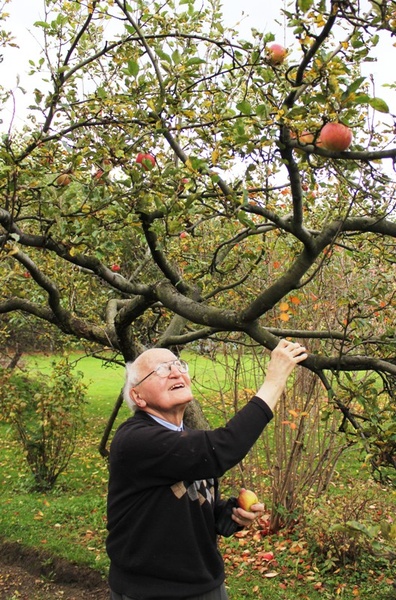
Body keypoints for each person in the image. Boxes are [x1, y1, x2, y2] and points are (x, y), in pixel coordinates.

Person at [106, 339, 307, 600]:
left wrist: (230, 514)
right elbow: (221, 450)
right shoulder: (135, 440)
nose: (177, 372)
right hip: (151, 592)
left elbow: (196, 508)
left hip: (206, 586)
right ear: (138, 396)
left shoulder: (187, 440)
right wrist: (274, 380)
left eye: (179, 365)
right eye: (161, 370)